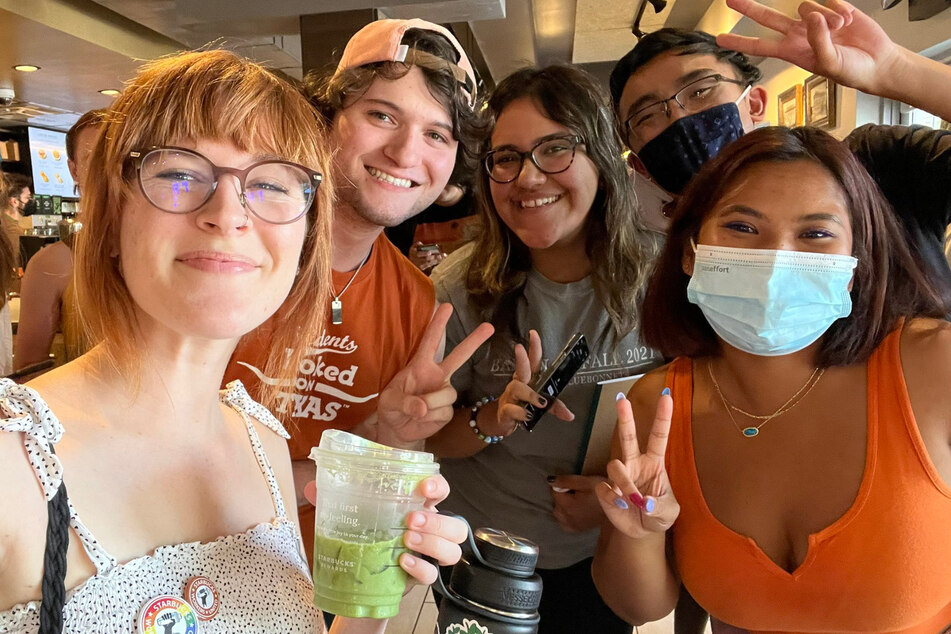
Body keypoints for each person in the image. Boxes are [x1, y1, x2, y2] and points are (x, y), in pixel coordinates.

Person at [0, 49, 466, 633]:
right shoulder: (12, 464)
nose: (229, 213)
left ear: (302, 242)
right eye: (178, 174)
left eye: (270, 183)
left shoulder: (263, 443)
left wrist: (376, 587)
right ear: (111, 221)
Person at [591, 126, 951, 632]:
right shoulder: (658, 407)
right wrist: (638, 532)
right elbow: (639, 608)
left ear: (853, 267)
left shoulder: (934, 367)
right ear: (691, 253)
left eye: (816, 234)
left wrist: (894, 72)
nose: (776, 260)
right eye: (741, 227)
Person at [225, 18, 493, 569]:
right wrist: (326, 476)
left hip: (323, 578)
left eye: (437, 134)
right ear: (327, 124)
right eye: (381, 115)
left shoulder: (417, 299)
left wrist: (392, 435)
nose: (403, 152)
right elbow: (155, 450)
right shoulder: (233, 251)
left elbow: (388, 473)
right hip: (187, 574)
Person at [426, 65, 662, 633]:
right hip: (483, 554)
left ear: (602, 161)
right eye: (506, 158)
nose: (528, 178)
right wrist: (492, 418)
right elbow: (428, 433)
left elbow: (702, 420)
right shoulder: (459, 292)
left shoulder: (663, 281)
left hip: (605, 551)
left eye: (555, 149)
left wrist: (616, 497)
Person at [14, 109, 105, 372]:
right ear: (74, 169)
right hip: (85, 409)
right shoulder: (53, 264)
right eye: (94, 159)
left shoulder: (162, 254)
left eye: (119, 157)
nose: (108, 169)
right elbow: (29, 375)